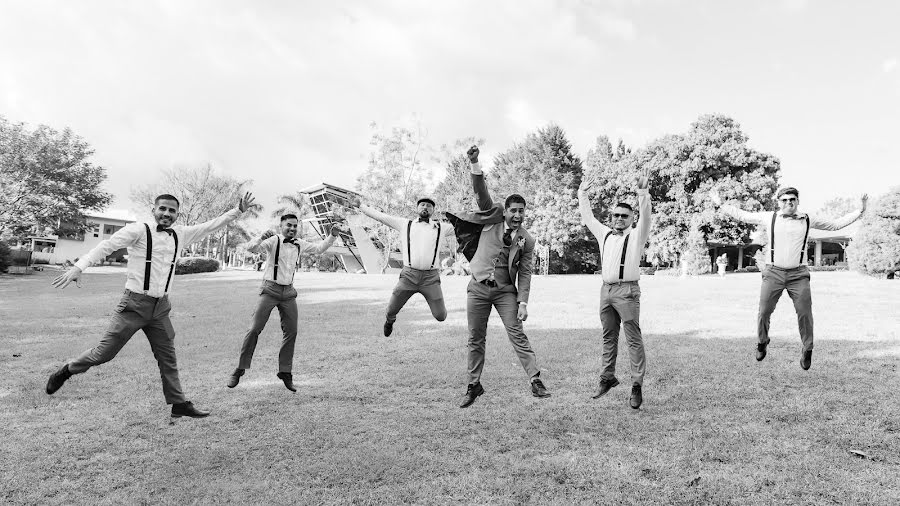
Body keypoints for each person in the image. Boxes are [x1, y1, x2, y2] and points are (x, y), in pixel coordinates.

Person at [47, 192, 256, 418]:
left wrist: (238, 211)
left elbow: (210, 226)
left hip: (161, 308)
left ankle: (178, 403)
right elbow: (106, 246)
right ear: (154, 210)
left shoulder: (181, 234)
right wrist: (79, 267)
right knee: (103, 354)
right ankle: (67, 370)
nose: (167, 213)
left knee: (168, 356)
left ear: (177, 214)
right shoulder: (138, 230)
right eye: (163, 209)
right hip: (134, 305)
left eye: (172, 210)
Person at [710, 186, 867, 369]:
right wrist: (720, 203)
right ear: (779, 202)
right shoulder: (770, 217)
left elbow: (834, 225)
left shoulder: (807, 219)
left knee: (805, 313)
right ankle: (762, 342)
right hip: (773, 272)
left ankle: (807, 349)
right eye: (784, 200)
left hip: (798, 274)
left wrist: (860, 210)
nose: (788, 203)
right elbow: (743, 215)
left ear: (797, 201)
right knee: (764, 311)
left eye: (792, 199)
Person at [446, 145, 549, 408]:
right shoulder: (492, 218)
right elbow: (482, 194)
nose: (517, 215)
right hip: (479, 287)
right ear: (505, 211)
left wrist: (523, 302)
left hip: (505, 291)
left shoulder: (527, 240)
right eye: (513, 210)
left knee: (517, 333)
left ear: (524, 214)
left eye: (521, 211)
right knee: (475, 337)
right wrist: (475, 164)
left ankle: (535, 379)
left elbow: (525, 272)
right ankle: (474, 384)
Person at [226, 214, 341, 391]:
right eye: (289, 225)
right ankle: (240, 369)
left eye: (295, 226)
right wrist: (259, 238)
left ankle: (285, 372)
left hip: (288, 292)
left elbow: (319, 248)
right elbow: (252, 249)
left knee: (292, 331)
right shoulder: (273, 240)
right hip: (270, 290)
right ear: (281, 226)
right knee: (255, 328)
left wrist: (332, 235)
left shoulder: (299, 243)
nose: (292, 228)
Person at [577, 168, 652, 409]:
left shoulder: (637, 235)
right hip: (606, 291)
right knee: (608, 336)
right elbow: (588, 217)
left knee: (633, 338)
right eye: (616, 215)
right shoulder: (605, 234)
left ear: (631, 219)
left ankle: (636, 385)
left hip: (627, 291)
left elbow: (647, 216)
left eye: (624, 216)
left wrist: (643, 193)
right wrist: (582, 193)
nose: (619, 219)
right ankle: (607, 378)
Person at [347, 194, 454, 336]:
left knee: (441, 316)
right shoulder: (405, 224)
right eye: (422, 204)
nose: (425, 207)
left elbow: (466, 226)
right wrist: (361, 206)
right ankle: (389, 321)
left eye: (429, 206)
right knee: (391, 309)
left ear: (433, 210)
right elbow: (381, 217)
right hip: (409, 276)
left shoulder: (441, 228)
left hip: (430, 278)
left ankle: (436, 309)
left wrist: (489, 218)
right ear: (417, 208)